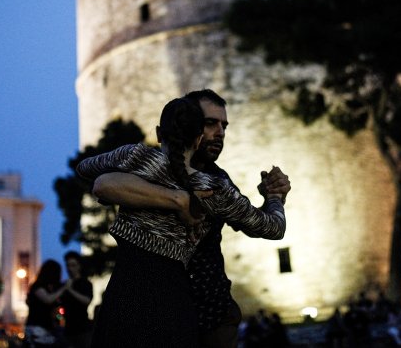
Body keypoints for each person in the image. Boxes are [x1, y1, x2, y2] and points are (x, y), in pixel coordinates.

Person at [76, 96, 286, 347]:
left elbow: (86, 169)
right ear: (198, 139)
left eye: (224, 126)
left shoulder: (136, 158)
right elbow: (273, 227)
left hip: (122, 295)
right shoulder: (214, 189)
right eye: (211, 124)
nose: (219, 132)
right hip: (173, 301)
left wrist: (131, 174)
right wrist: (275, 198)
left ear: (158, 133)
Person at [25, 260, 67, 347]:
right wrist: (64, 288)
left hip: (47, 327)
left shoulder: (51, 288)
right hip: (36, 326)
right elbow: (48, 299)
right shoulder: (38, 286)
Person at [59, 251, 93, 348]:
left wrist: (69, 289)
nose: (70, 268)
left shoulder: (85, 283)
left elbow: (87, 300)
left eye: (73, 265)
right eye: (68, 265)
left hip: (82, 330)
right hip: (67, 330)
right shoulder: (65, 284)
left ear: (79, 266)